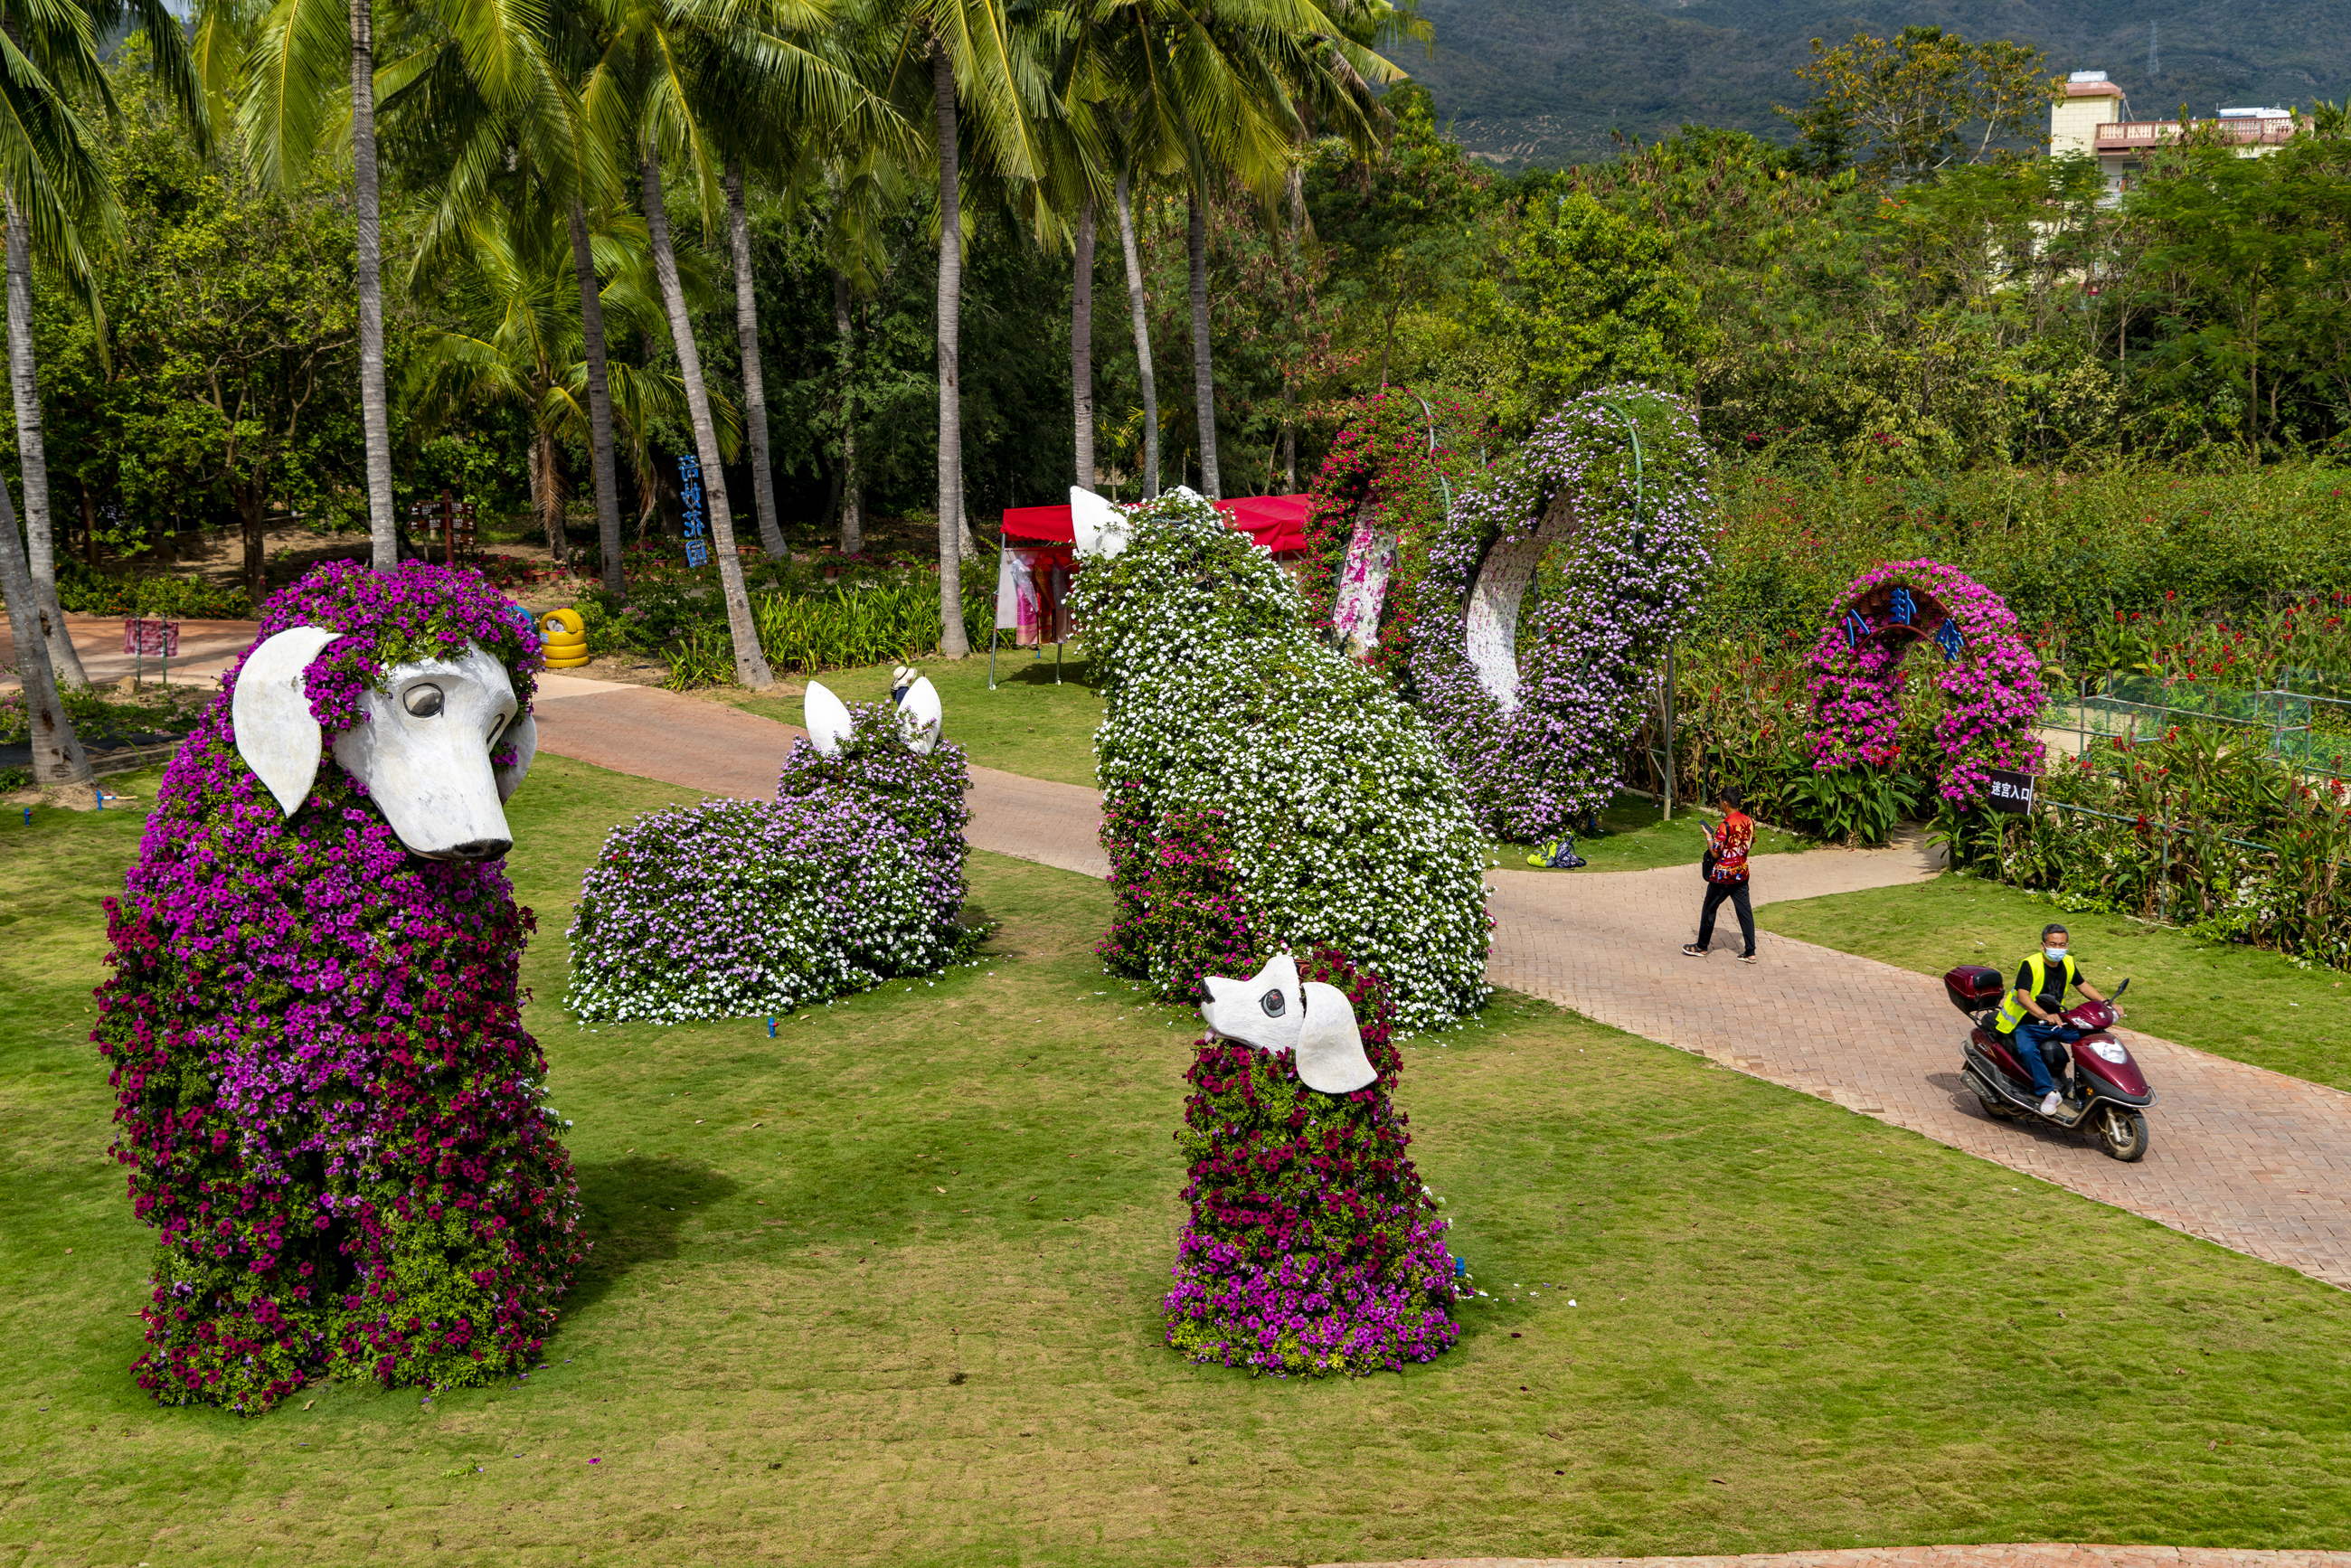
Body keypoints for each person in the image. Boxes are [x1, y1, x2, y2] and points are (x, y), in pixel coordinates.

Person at [1991, 922, 2108, 1116]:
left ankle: (2084, 1084)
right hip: (2027, 1023)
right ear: (2043, 945)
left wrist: (2107, 1004)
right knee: (2028, 1050)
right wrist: (2043, 1015)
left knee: (2095, 1035)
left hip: (2056, 1022)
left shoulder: (2068, 962)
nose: (2058, 949)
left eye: (2062, 945)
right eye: (2053, 944)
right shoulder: (2031, 964)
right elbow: (2023, 996)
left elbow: (2083, 986)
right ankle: (2049, 1092)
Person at [1681, 788, 1755, 964]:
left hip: (1722, 877)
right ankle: (1750, 952)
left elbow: (1715, 853)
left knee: (1709, 908)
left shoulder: (1725, 825)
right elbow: (1748, 846)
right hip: (1741, 874)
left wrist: (1709, 836)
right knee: (1745, 912)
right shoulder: (1749, 821)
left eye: (1721, 801)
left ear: (1725, 803)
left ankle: (1701, 946)